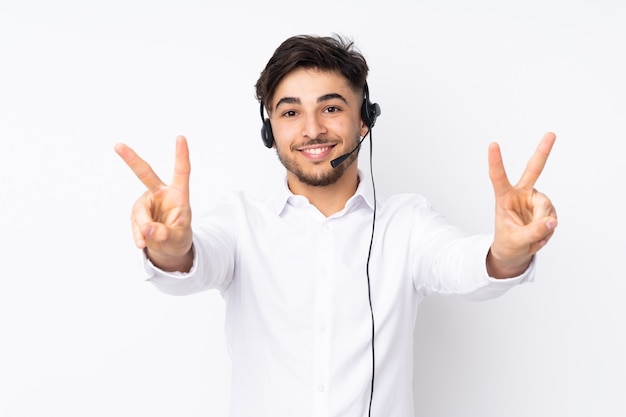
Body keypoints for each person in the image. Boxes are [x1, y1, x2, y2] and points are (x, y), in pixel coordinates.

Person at [114, 34, 557, 417]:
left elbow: (460, 263)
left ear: (364, 120)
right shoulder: (241, 220)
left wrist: (506, 253)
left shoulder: (405, 223)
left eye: (331, 108)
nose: (311, 129)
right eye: (290, 113)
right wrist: (169, 249)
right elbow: (195, 260)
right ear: (270, 131)